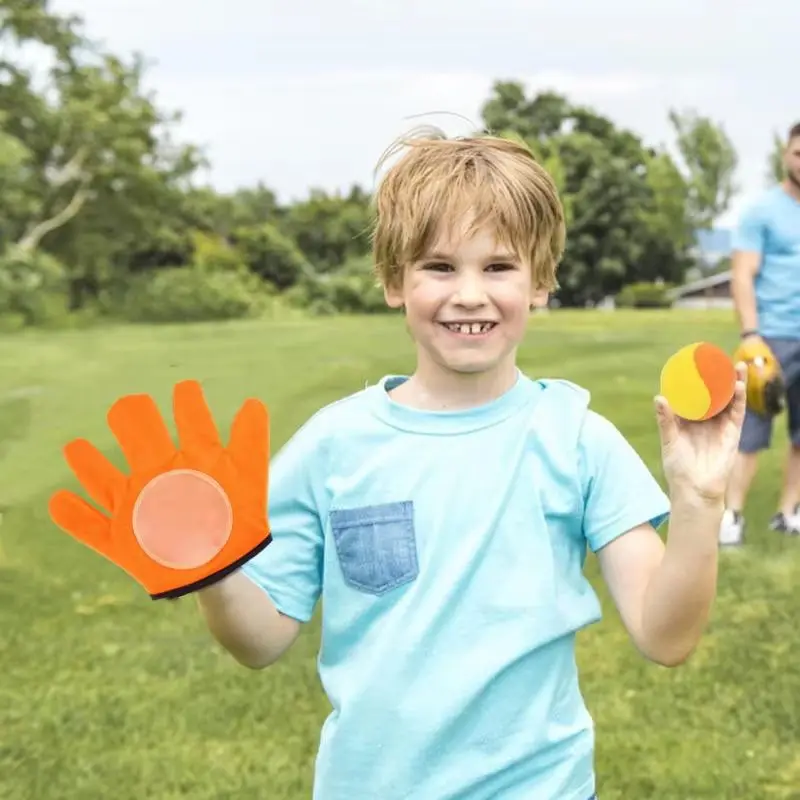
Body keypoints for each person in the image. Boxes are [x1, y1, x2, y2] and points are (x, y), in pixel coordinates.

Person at [196, 130, 746, 800]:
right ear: (394, 281)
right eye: (439, 266)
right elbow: (259, 640)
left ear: (540, 281)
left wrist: (697, 502)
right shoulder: (331, 446)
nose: (468, 295)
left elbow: (666, 636)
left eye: (498, 267)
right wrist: (215, 573)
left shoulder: (577, 439)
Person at [719, 121, 800, 548]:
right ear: (786, 156)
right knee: (750, 434)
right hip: (770, 339)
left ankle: (788, 514)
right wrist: (751, 334)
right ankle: (730, 516)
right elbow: (742, 275)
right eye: (798, 152)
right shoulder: (762, 211)